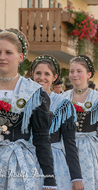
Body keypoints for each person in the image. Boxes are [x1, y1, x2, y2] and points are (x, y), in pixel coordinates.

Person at [0, 28, 56, 189]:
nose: (2, 57)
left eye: (8, 52)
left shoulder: (34, 93)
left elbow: (41, 137)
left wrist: (49, 178)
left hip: (18, 165)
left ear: (20, 57)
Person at [31, 54, 84, 190]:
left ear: (54, 78)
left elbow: (69, 143)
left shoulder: (63, 105)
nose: (41, 77)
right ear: (32, 75)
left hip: (55, 161)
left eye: (46, 74)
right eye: (38, 73)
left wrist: (76, 177)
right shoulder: (23, 100)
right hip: (27, 158)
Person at [62, 55, 98, 190]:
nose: (74, 75)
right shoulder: (62, 98)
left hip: (88, 151)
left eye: (79, 71)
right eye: (72, 71)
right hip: (65, 148)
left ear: (88, 74)